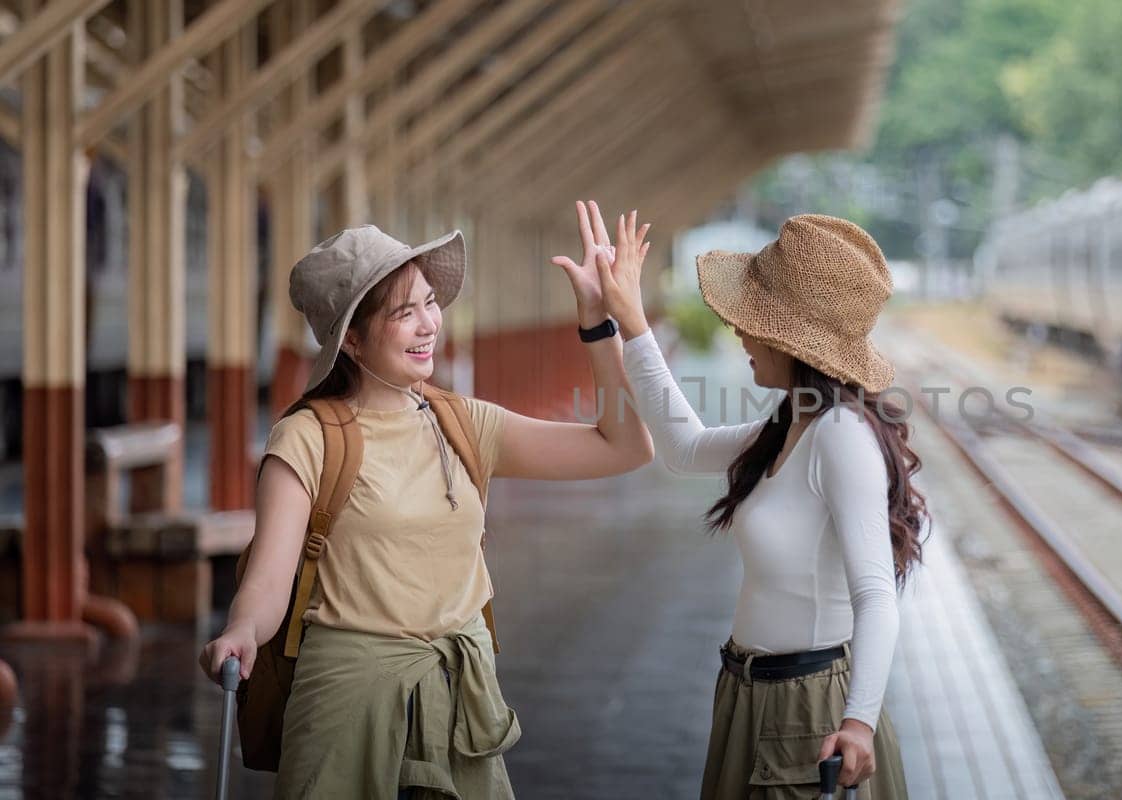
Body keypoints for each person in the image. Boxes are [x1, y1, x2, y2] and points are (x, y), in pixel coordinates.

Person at [198, 202, 653, 798]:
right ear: (353, 343)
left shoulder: (464, 423)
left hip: (461, 706)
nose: (428, 324)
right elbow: (268, 583)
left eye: (430, 303)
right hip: (348, 707)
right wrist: (239, 629)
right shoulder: (307, 438)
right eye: (403, 313)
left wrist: (600, 325)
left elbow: (624, 447)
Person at [600, 211, 927, 799]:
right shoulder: (791, 425)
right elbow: (683, 448)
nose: (740, 334)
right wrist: (626, 323)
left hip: (810, 715)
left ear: (790, 339)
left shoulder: (840, 436)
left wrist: (858, 723)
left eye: (752, 322)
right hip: (749, 696)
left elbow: (876, 596)